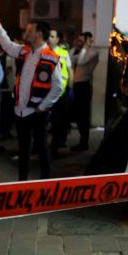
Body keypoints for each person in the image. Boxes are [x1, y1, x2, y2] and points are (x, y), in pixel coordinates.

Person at [0, 10, 64, 179]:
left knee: (42, 148)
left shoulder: (51, 58)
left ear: (39, 34)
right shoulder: (25, 51)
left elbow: (58, 87)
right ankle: (22, 182)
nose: (26, 33)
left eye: (30, 31)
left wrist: (42, 107)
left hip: (37, 112)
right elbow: (8, 45)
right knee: (23, 149)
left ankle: (45, 184)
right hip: (21, 109)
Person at [68, 31, 98, 152]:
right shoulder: (81, 52)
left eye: (82, 40)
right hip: (77, 86)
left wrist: (85, 47)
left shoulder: (93, 52)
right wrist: (75, 47)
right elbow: (70, 61)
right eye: (79, 40)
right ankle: (82, 142)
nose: (80, 43)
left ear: (88, 40)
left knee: (84, 116)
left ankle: (84, 143)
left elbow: (81, 61)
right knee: (79, 116)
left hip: (84, 86)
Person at [47, 29, 73, 158]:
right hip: (45, 93)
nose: (49, 39)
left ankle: (55, 147)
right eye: (48, 36)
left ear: (57, 39)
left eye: (52, 36)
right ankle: (38, 148)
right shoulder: (42, 52)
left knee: (57, 122)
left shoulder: (63, 53)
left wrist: (70, 87)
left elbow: (69, 69)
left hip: (60, 93)